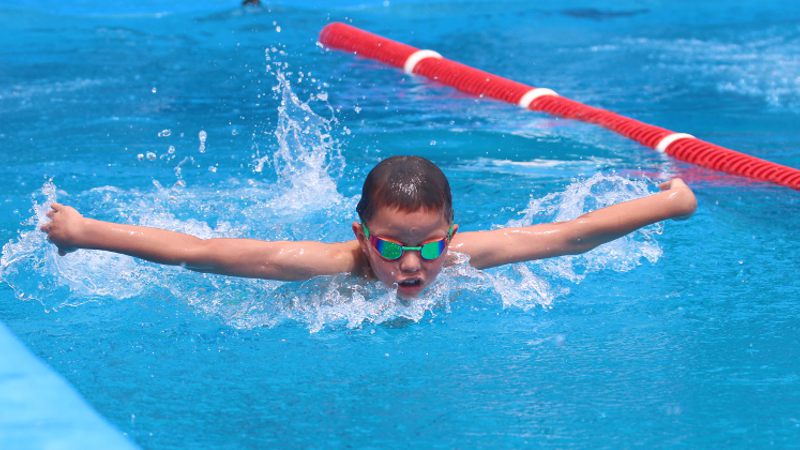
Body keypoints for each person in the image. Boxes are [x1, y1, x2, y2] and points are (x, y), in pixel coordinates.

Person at [40, 156, 697, 297]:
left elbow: (567, 235)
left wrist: (671, 203)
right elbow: (204, 252)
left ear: (450, 232)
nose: (412, 265)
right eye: (391, 247)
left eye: (429, 246)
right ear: (362, 238)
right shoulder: (331, 265)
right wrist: (83, 230)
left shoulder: (466, 254)